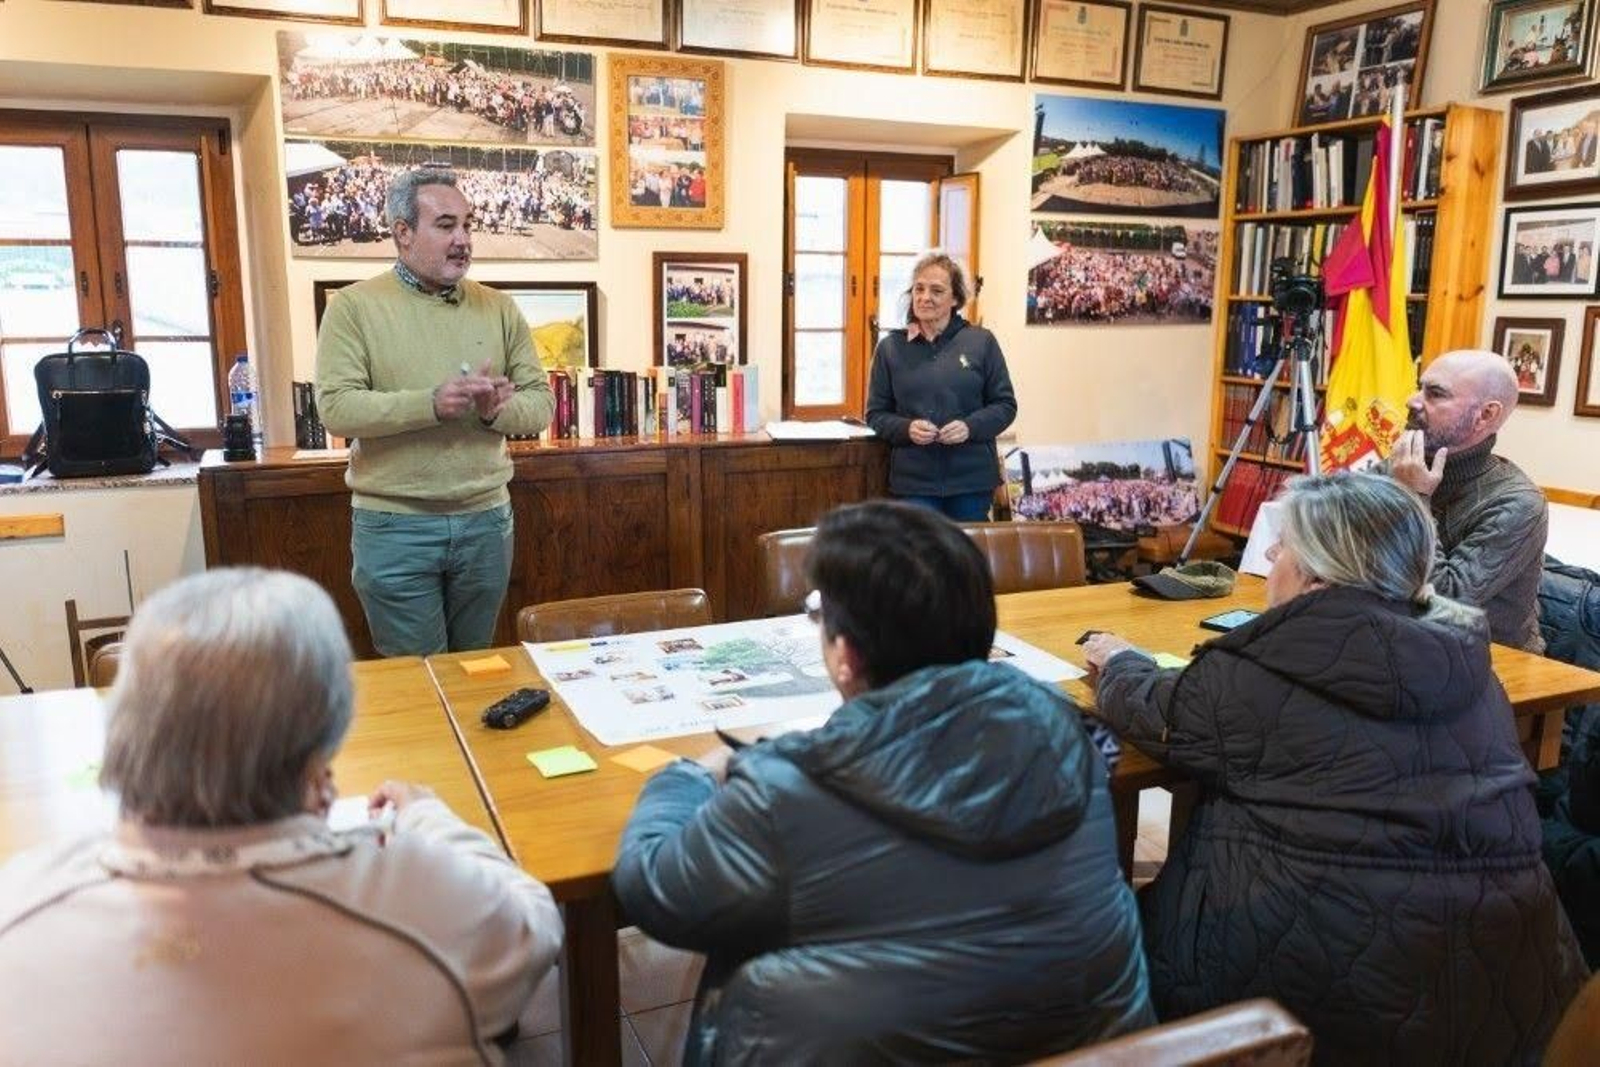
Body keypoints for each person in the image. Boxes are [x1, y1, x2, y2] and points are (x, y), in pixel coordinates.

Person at [613, 500, 1153, 1063]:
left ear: (844, 656)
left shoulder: (784, 790)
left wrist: (685, 775)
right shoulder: (1065, 730)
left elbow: (655, 889)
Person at [1084, 473, 1587, 1062]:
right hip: (1515, 996)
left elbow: (1158, 712)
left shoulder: (1260, 670)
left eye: (1286, 544)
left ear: (1318, 574)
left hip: (1312, 1007)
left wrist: (1119, 660)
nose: (1270, 553)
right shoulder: (1469, 661)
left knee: (1109, 913)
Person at [0, 568, 562, 1062]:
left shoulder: (20, 901)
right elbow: (535, 925)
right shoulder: (416, 899)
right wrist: (428, 817)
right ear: (317, 757)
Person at [316, 167, 555, 656]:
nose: (463, 240)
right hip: (394, 526)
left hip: (486, 521)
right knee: (419, 686)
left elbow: (541, 403)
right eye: (446, 226)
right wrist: (430, 404)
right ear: (403, 233)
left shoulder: (501, 308)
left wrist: (494, 413)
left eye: (468, 225)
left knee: (473, 677)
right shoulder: (353, 307)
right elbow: (337, 409)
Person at [1388, 348, 1548, 651]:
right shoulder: (1402, 467)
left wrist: (1414, 499)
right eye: (1419, 386)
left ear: (1486, 415)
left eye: (1435, 393)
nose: (1412, 400)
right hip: (1401, 642)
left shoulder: (1518, 502)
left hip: (1488, 665)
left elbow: (1442, 601)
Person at [865, 251, 1017, 521]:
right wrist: (906, 428)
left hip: (972, 481)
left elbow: (1005, 406)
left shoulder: (982, 342)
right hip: (914, 483)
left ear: (956, 298)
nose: (925, 297)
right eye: (919, 289)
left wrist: (970, 427)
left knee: (966, 560)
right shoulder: (890, 348)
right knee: (922, 560)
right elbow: (875, 414)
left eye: (936, 290)